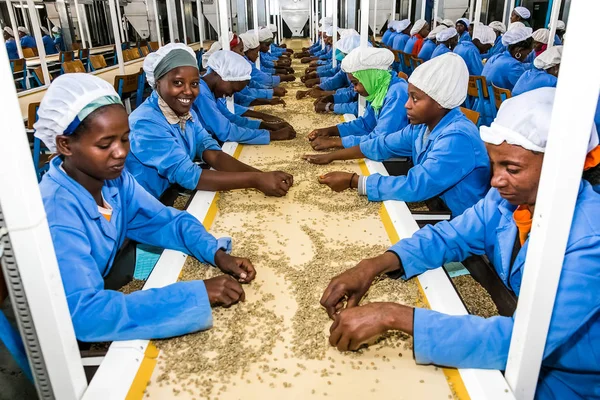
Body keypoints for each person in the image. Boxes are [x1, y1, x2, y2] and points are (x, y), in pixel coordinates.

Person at [319, 87, 600, 399]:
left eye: (512, 168)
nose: (495, 180)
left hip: (569, 380)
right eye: (495, 165)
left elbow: (520, 342)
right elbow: (450, 236)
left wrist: (393, 315)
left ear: (562, 165)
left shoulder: (589, 240)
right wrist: (372, 265)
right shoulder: (508, 201)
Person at [34, 73, 257, 342]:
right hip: (61, 335)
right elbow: (86, 314)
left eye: (125, 139)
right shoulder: (58, 213)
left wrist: (217, 253)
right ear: (65, 145)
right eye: (105, 144)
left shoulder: (113, 181)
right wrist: (197, 293)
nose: (120, 153)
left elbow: (165, 221)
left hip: (105, 281)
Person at [304, 53, 490, 218]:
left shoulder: (457, 138)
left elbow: (416, 185)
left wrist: (354, 181)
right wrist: (332, 155)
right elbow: (382, 145)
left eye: (414, 99)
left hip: (459, 220)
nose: (406, 105)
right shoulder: (422, 126)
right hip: (437, 203)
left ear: (440, 102)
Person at [126, 43, 293, 200]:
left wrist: (261, 175)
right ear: (157, 83)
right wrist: (255, 180)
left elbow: (210, 150)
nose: (188, 91)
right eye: (177, 82)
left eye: (194, 83)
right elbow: (189, 176)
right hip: (144, 204)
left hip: (166, 191)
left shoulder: (185, 112)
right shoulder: (145, 122)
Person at [306, 47, 409, 150]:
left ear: (369, 77)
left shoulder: (396, 94)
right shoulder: (379, 88)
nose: (354, 89)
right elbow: (365, 124)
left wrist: (334, 142)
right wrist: (329, 131)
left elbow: (380, 140)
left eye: (355, 83)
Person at [195, 50, 295, 144]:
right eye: (233, 90)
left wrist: (266, 125)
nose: (230, 95)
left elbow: (230, 118)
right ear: (219, 74)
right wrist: (273, 135)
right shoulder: (201, 93)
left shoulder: (210, 92)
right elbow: (226, 131)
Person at [481, 26, 533, 91]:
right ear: (519, 50)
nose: (527, 56)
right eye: (527, 53)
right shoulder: (515, 66)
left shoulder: (495, 58)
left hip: (483, 100)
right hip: (501, 101)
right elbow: (525, 90)